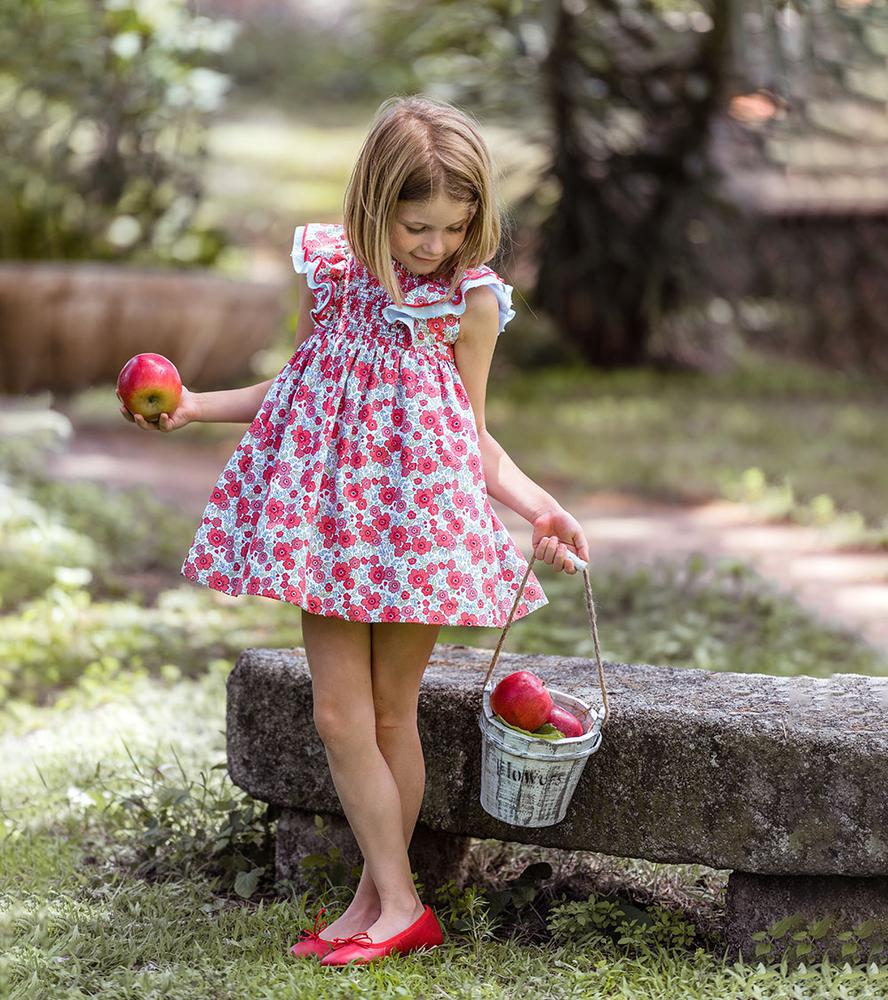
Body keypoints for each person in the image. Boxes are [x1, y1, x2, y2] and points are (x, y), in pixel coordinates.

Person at [117, 94, 590, 966]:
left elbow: (472, 437)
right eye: (416, 226)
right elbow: (294, 384)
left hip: (418, 532)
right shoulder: (331, 271)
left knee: (390, 713)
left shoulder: (469, 303)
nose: (434, 246)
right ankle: (389, 898)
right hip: (331, 528)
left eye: (453, 227)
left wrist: (539, 507)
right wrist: (192, 407)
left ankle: (388, 901)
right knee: (340, 716)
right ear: (373, 204)